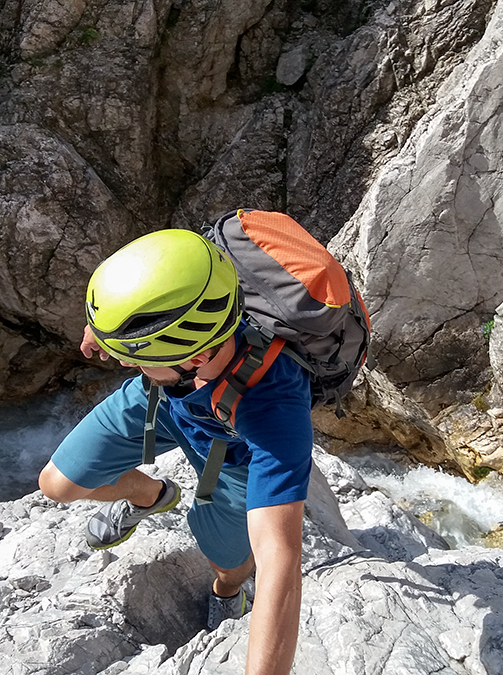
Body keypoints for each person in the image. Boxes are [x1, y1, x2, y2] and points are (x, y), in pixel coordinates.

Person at [38, 228, 312, 675]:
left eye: (135, 355)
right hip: (161, 402)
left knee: (228, 564)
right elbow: (155, 286)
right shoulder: (192, 319)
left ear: (196, 357)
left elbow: (281, 561)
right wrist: (104, 330)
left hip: (229, 456)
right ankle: (152, 496)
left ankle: (228, 594)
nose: (123, 363)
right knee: (56, 484)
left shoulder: (275, 413)